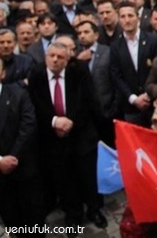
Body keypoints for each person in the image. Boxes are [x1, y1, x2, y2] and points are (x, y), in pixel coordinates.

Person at [28, 42, 108, 231]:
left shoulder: (79, 71)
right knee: (64, 178)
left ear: (68, 60)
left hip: (81, 133)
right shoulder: (37, 74)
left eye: (60, 57)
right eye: (52, 56)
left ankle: (94, 209)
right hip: (53, 137)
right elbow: (35, 105)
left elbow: (89, 101)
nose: (55, 60)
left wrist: (71, 122)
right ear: (46, 57)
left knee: (88, 175)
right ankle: (73, 215)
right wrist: (55, 121)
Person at [0, 57, 47, 234]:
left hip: (24, 166)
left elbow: (28, 126)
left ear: (3, 73)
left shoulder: (19, 94)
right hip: (1, 177)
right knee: (11, 217)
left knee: (33, 215)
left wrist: (12, 157)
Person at [109, 2, 157, 126]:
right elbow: (116, 76)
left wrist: (148, 94)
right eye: (123, 16)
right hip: (130, 106)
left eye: (130, 15)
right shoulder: (115, 46)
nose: (127, 20)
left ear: (138, 18)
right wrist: (133, 98)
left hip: (153, 103)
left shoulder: (153, 40)